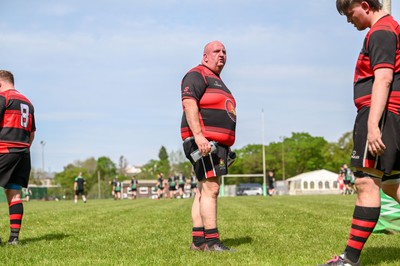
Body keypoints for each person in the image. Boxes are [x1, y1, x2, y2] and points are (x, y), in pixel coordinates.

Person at [321, 1, 400, 265]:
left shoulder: (381, 31)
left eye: (349, 13)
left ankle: (349, 259)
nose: (348, 20)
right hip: (393, 115)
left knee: (366, 183)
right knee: (393, 184)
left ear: (364, 5)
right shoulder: (388, 28)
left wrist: (373, 124)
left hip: (382, 115)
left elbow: (384, 78)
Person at [181, 41, 237, 252]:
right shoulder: (197, 75)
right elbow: (189, 104)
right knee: (212, 189)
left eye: (224, 51)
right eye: (216, 51)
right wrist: (199, 137)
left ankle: (199, 242)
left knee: (203, 190)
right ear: (205, 57)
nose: (221, 54)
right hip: (204, 143)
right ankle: (213, 243)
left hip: (215, 144)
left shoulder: (217, 80)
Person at [0, 70, 36, 245]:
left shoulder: (3, 98)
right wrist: (24, 148)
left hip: (5, 150)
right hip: (23, 154)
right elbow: (32, 133)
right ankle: (14, 239)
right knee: (14, 194)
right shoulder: (28, 102)